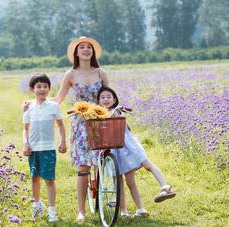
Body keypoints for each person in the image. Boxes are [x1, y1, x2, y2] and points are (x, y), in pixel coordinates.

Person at [23, 37, 108, 221]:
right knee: (83, 166)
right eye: (82, 48)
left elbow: (108, 97)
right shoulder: (70, 74)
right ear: (76, 53)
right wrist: (32, 103)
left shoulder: (101, 73)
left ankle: (108, 199)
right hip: (81, 123)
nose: (86, 50)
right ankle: (81, 211)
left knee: (103, 161)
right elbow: (58, 99)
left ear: (93, 52)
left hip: (99, 120)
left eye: (89, 48)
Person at [97, 86, 176, 217]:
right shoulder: (100, 114)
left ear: (114, 99)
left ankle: (165, 187)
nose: (106, 100)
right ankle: (134, 210)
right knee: (124, 182)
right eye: (103, 97)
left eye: (109, 97)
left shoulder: (115, 111)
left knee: (147, 165)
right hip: (114, 149)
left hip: (128, 146)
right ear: (99, 101)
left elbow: (117, 119)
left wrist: (121, 114)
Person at [22, 73, 67, 223]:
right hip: (33, 148)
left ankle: (52, 211)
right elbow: (26, 128)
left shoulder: (54, 106)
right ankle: (36, 206)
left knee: (49, 179)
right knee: (34, 178)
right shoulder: (28, 107)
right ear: (32, 89)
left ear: (49, 89)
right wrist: (25, 143)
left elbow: (60, 125)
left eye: (45, 87)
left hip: (49, 148)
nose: (42, 89)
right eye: (38, 87)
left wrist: (63, 141)